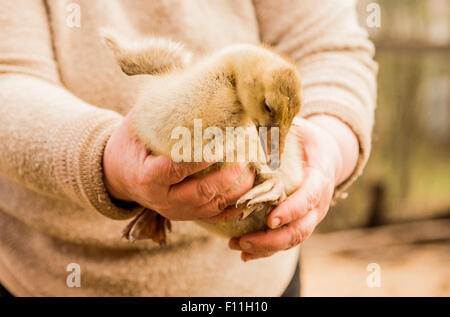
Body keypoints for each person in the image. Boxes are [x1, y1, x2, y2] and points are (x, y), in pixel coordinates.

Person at [0, 0, 377, 296]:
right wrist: (103, 161)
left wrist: (329, 148)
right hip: (44, 278)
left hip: (248, 285)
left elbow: (329, 46)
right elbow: (8, 77)